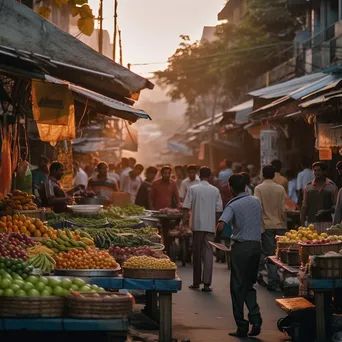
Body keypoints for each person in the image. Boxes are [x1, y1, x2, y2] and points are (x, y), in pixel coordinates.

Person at [217, 174, 262, 338]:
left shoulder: (233, 205)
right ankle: (255, 319)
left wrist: (217, 237)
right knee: (249, 284)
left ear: (231, 188)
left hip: (241, 247)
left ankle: (241, 326)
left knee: (237, 287)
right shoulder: (256, 201)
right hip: (257, 247)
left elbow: (221, 226)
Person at [183, 167, 223, 292]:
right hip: (210, 226)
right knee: (208, 254)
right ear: (210, 176)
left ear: (199, 175)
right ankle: (206, 283)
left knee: (197, 254)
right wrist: (215, 224)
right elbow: (218, 210)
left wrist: (184, 222)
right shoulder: (215, 190)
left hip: (197, 225)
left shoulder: (193, 189)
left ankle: (196, 282)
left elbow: (186, 207)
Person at [255, 165, 286, 292]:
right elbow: (283, 209)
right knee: (280, 255)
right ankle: (274, 280)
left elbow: (257, 207)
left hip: (266, 225)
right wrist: (285, 224)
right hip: (280, 225)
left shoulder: (259, 188)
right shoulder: (280, 188)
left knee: (270, 254)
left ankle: (272, 281)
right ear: (274, 175)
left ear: (263, 174)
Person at [301, 162, 338, 233]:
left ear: (324, 171)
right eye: (315, 170)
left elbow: (336, 206)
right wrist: (302, 224)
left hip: (327, 223)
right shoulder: (308, 188)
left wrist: (326, 211)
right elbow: (304, 206)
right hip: (311, 224)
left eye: (319, 170)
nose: (317, 173)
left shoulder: (332, 187)